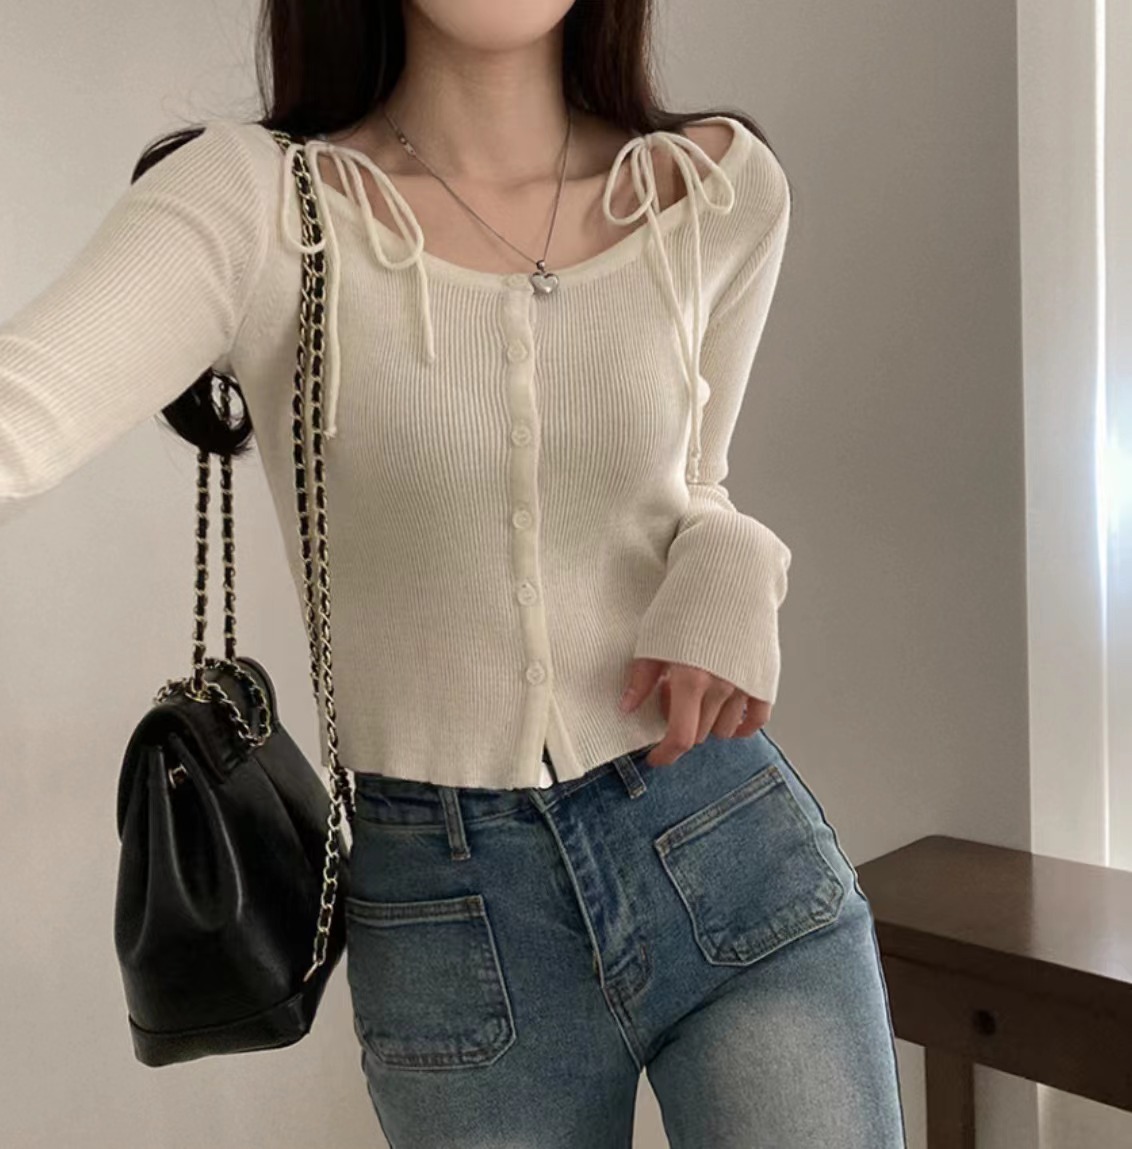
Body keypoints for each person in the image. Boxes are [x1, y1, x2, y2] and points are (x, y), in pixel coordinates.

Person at [0, 1, 907, 1145]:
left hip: (722, 843)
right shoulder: (261, 204)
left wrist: (736, 559)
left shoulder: (712, 192)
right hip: (449, 915)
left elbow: (697, 481)